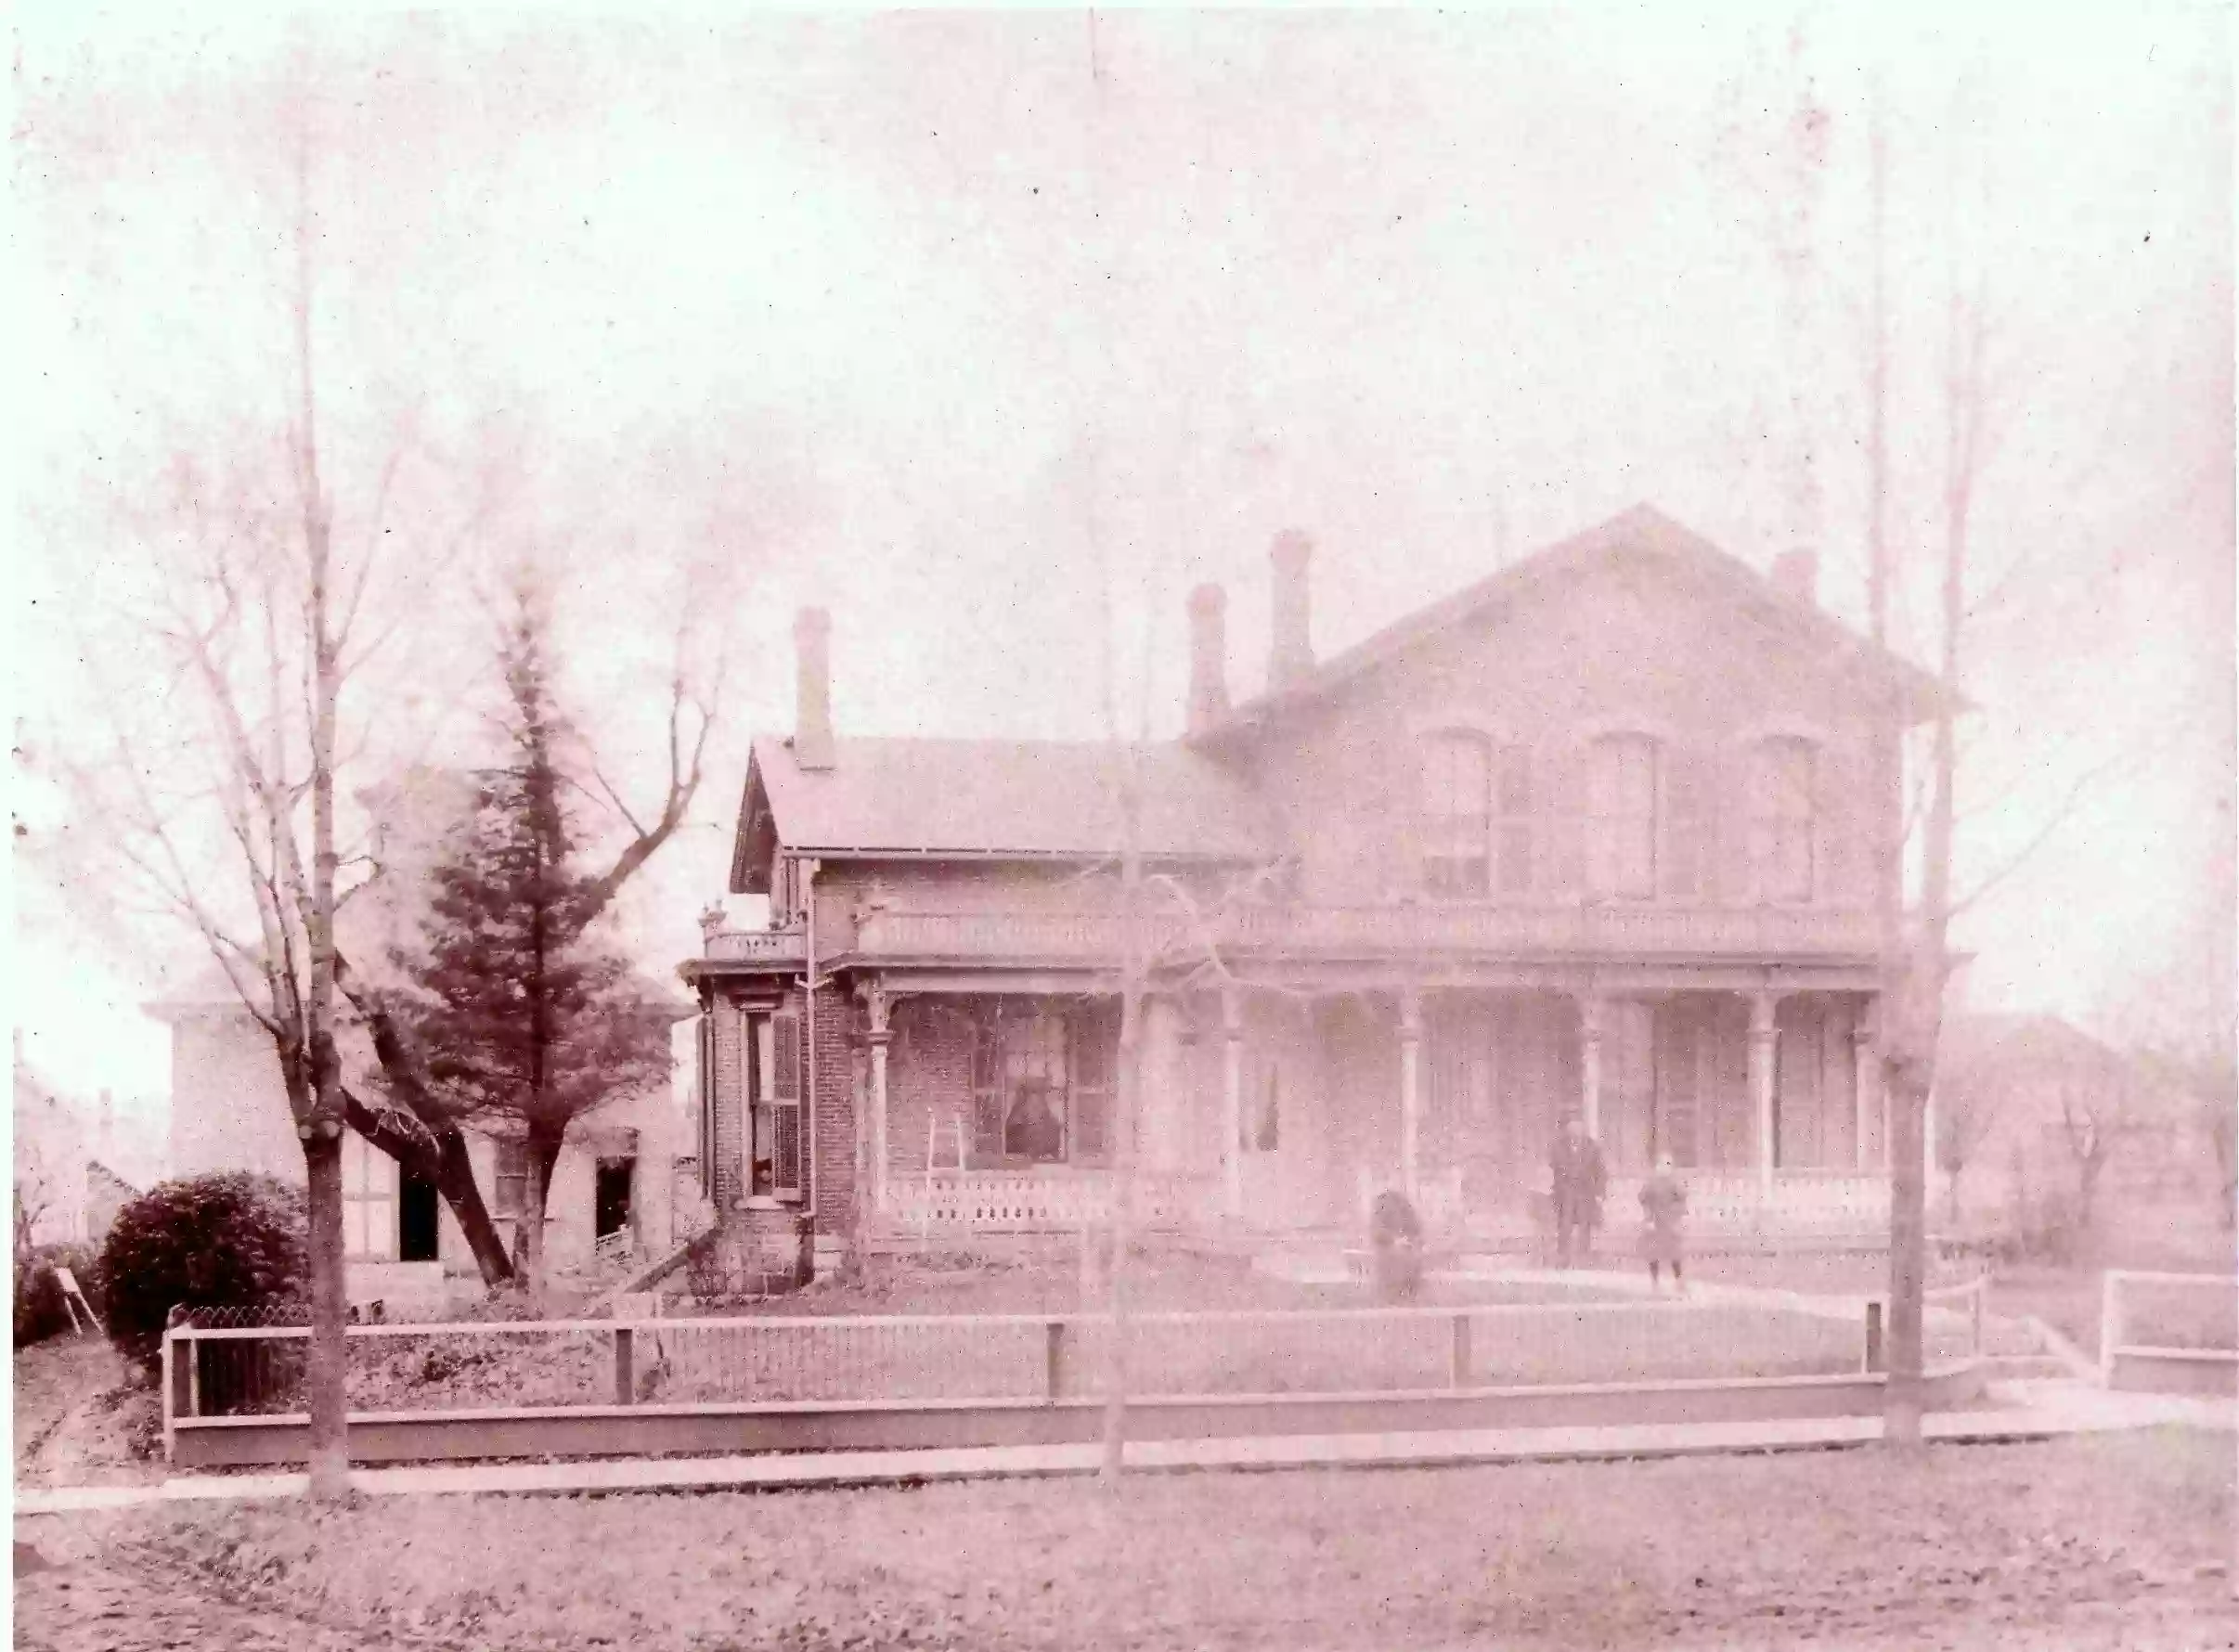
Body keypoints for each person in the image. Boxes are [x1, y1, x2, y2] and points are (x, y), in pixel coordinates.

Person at [1548, 1116, 1607, 1269]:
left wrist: (1600, 1193)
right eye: (1571, 1135)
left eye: (1577, 1135)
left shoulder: (1592, 1147)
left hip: (1585, 1192)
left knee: (1584, 1225)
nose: (1574, 1138)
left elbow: (1601, 1172)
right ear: (1567, 1135)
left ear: (1582, 1134)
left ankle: (1584, 1258)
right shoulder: (1558, 1146)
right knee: (1565, 1225)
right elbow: (1555, 1166)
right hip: (1566, 1191)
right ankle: (1563, 1258)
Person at [1637, 1154, 1689, 1293]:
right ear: (1657, 1167)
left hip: (1670, 1222)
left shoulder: (1675, 1182)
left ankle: (1679, 1281)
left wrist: (1675, 1212)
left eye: (1667, 1165)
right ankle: (1655, 1282)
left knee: (1675, 1253)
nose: (1664, 1168)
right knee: (1653, 1253)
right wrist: (1648, 1217)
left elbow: (1682, 1199)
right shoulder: (1651, 1182)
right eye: (1661, 1165)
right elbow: (1643, 1198)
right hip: (1655, 1221)